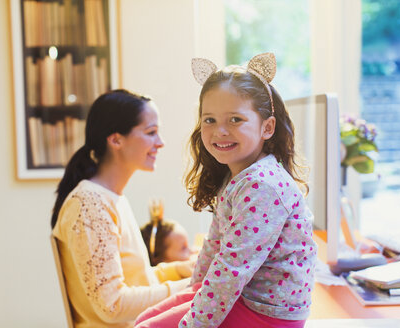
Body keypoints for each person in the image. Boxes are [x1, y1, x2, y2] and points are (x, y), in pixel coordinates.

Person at [135, 53, 317, 328]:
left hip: (267, 313)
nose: (220, 131)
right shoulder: (238, 176)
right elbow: (214, 246)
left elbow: (231, 271)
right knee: (145, 320)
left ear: (267, 127)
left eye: (234, 120)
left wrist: (191, 323)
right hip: (245, 299)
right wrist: (192, 293)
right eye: (209, 120)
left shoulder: (261, 186)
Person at [51, 89, 194, 328]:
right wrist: (193, 285)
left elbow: (138, 281)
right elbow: (113, 305)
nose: (161, 142)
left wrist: (182, 270)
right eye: (151, 133)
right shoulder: (89, 203)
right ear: (116, 139)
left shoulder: (111, 198)